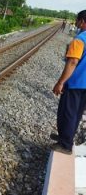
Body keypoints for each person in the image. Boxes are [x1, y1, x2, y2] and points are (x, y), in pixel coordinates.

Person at [51, 10, 86, 155]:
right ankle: (66, 137)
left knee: (67, 112)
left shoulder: (79, 39)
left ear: (82, 21)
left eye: (77, 20)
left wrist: (60, 82)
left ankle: (65, 144)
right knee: (76, 113)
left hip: (76, 83)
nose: (76, 23)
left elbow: (72, 62)